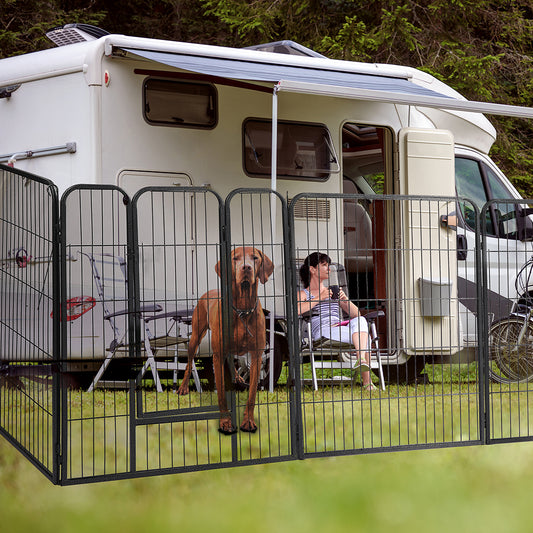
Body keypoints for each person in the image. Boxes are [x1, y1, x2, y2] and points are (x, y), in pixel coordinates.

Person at [297, 252, 377, 391]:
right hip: (323, 331)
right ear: (312, 269)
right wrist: (319, 298)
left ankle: (361, 360)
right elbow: (296, 311)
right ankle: (367, 382)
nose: (329, 269)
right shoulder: (304, 294)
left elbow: (355, 314)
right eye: (324, 265)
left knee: (361, 320)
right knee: (366, 340)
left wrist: (344, 299)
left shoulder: (332, 291)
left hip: (341, 326)